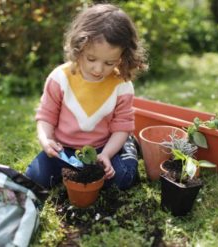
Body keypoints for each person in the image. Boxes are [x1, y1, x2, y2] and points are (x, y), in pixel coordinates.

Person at [25, 3, 148, 190]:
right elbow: (46, 116)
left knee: (123, 178)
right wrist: (46, 139)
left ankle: (127, 145)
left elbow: (121, 125)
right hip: (63, 150)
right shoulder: (60, 77)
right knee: (34, 178)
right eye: (91, 59)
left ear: (123, 57)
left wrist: (107, 154)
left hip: (102, 148)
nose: (98, 69)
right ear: (79, 48)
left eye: (109, 62)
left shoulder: (122, 85)